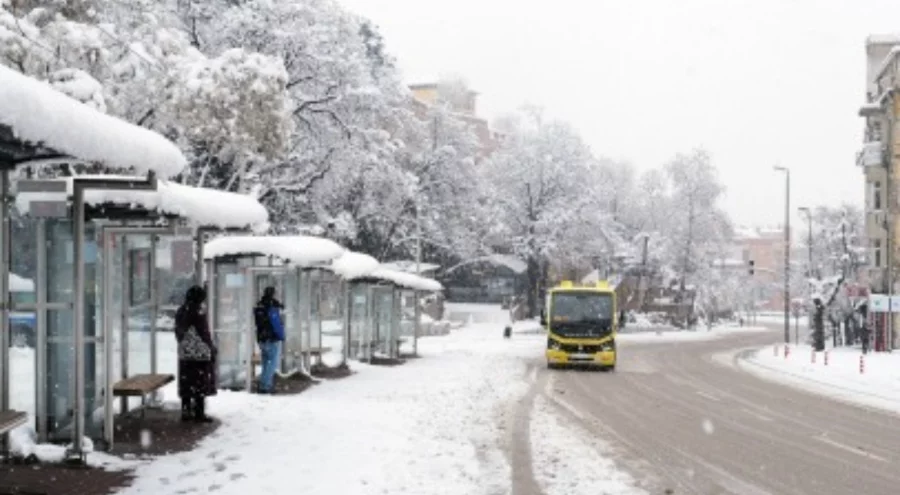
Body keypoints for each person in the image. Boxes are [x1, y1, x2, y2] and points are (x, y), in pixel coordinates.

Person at [174, 285, 217, 422]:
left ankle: (186, 411)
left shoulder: (181, 311)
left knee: (187, 382)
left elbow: (178, 331)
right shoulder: (198, 312)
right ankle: (199, 413)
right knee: (200, 383)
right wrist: (211, 348)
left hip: (185, 353)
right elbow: (204, 333)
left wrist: (184, 343)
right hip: (200, 354)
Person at [254, 286, 285, 394]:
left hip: (261, 338)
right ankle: (265, 386)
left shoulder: (259, 305)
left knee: (265, 363)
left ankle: (264, 384)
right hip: (271, 338)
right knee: (272, 363)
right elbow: (276, 324)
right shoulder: (272, 307)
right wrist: (281, 335)